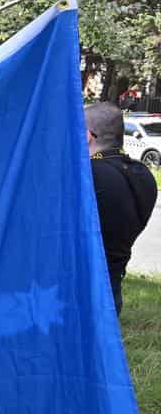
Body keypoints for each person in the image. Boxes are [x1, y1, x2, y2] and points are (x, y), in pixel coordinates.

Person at [85, 102, 157, 314]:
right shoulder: (143, 175)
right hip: (112, 288)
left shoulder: (87, 177)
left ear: (87, 136)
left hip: (78, 293)